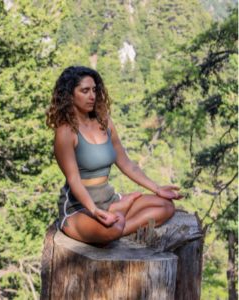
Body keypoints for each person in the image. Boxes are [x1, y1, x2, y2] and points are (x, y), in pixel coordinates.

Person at [46, 66, 185, 248]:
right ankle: (118, 218)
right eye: (85, 91)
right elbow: (74, 180)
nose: (92, 96)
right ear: (69, 96)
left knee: (166, 207)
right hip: (79, 207)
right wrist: (94, 210)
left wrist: (158, 189)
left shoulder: (105, 122)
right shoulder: (65, 132)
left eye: (95, 90)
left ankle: (118, 214)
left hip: (109, 197)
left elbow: (126, 163)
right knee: (110, 231)